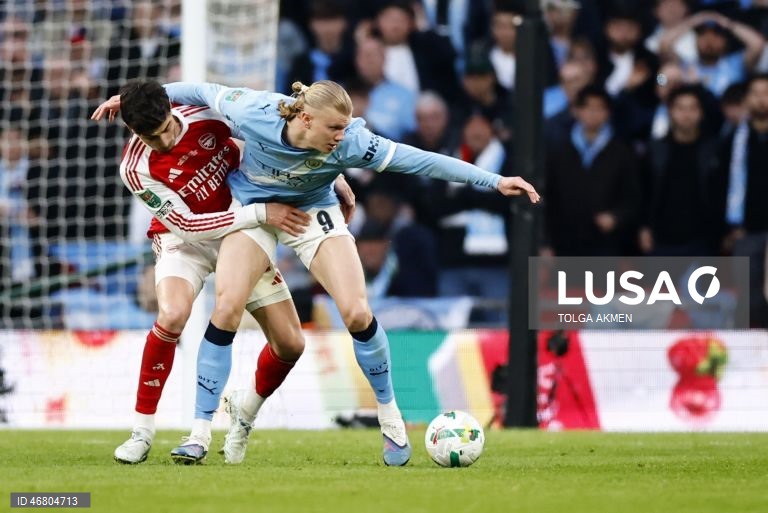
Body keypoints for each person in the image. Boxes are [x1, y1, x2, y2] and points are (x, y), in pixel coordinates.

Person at [92, 79, 540, 467]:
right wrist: (131, 100)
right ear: (304, 118)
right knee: (225, 305)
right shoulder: (253, 110)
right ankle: (198, 434)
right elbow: (198, 90)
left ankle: (389, 418)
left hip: (312, 208)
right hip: (253, 210)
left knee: (357, 311)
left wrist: (493, 181)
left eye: (346, 128)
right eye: (334, 128)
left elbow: (419, 158)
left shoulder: (352, 144)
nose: (342, 138)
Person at [102, 80, 331, 464]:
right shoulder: (135, 167)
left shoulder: (208, 115)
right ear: (132, 130)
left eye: (165, 131)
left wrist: (331, 174)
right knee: (172, 314)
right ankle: (142, 431)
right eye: (150, 137)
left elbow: (273, 133)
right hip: (185, 239)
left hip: (239, 233)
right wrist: (263, 213)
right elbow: (188, 225)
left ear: (171, 110)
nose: (163, 143)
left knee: (291, 343)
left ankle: (244, 408)